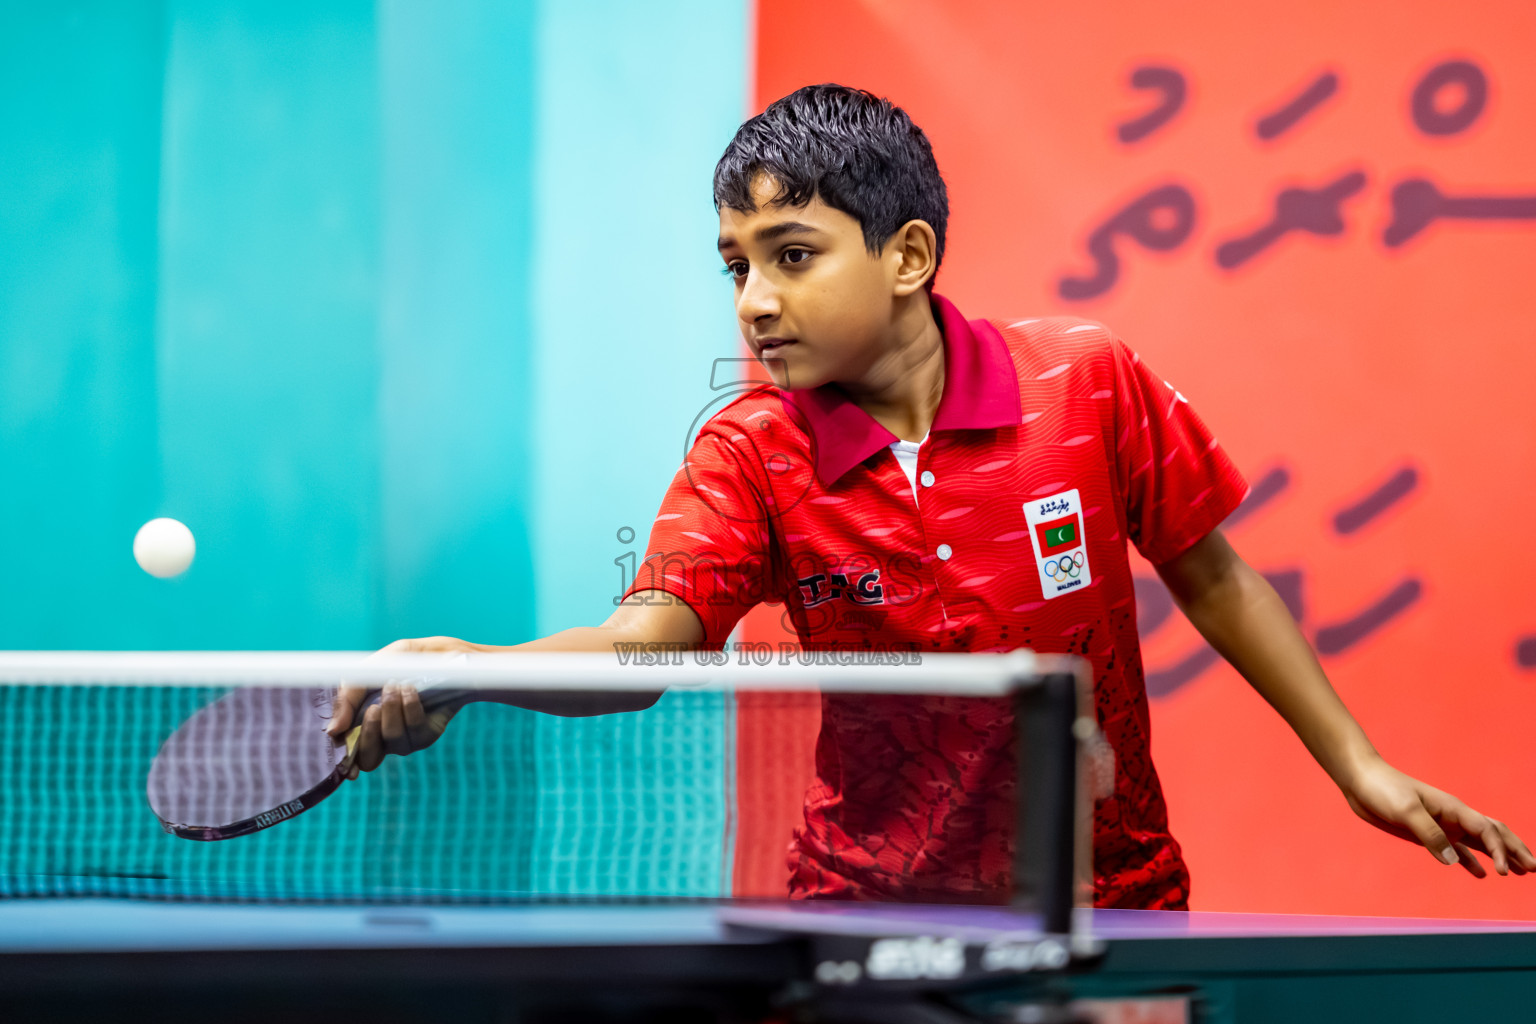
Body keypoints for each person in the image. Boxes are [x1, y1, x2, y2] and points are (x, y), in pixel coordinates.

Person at [331, 84, 1532, 908]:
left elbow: (1211, 572)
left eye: (793, 256)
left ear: (906, 256)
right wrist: (483, 663)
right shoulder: (750, 451)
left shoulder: (1084, 381)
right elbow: (653, 644)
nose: (753, 299)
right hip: (860, 910)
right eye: (735, 265)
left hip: (1108, 898)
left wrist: (1358, 766)